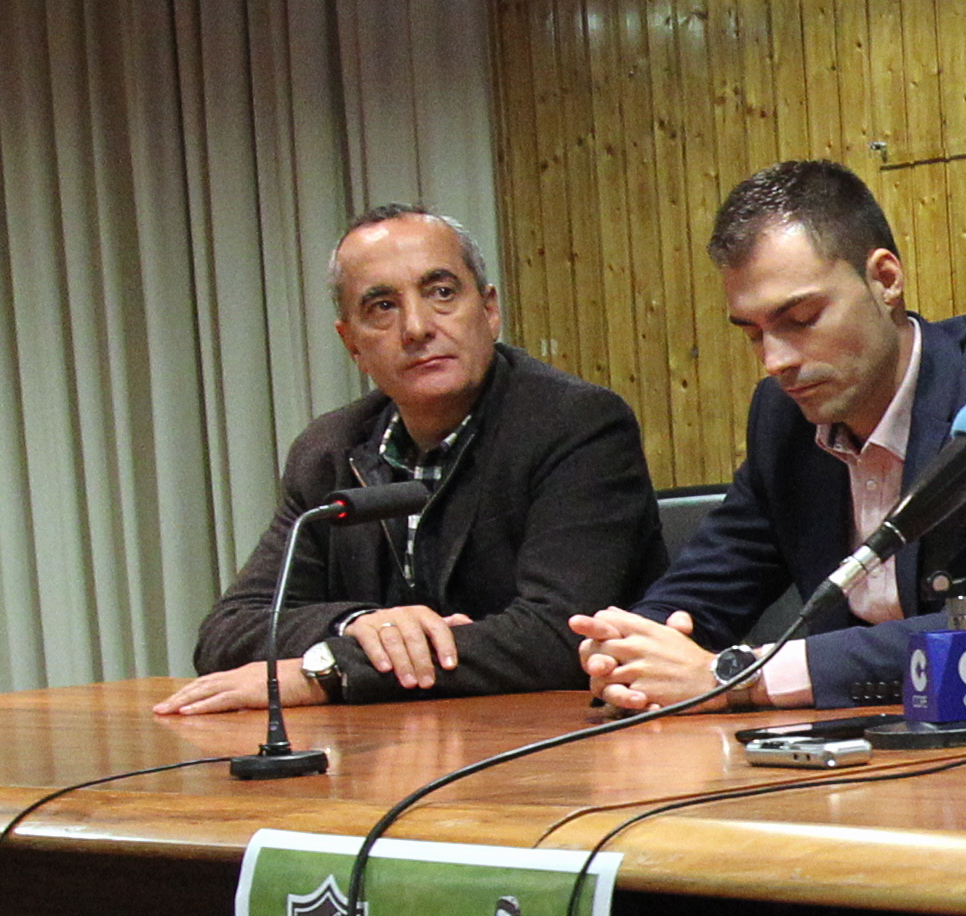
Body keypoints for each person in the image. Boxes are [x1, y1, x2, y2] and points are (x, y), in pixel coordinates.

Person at [574, 161, 966, 712]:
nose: (775, 361)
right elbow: (707, 588)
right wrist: (627, 651)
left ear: (885, 280)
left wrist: (735, 675)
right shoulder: (785, 417)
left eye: (802, 318)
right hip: (869, 752)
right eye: (753, 334)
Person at [161, 208, 665, 715]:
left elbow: (559, 634)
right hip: (389, 749)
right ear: (351, 344)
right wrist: (356, 623)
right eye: (382, 306)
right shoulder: (329, 451)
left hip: (560, 750)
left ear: (489, 311)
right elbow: (229, 630)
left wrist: (332, 668)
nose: (417, 328)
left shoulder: (576, 424)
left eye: (442, 293)